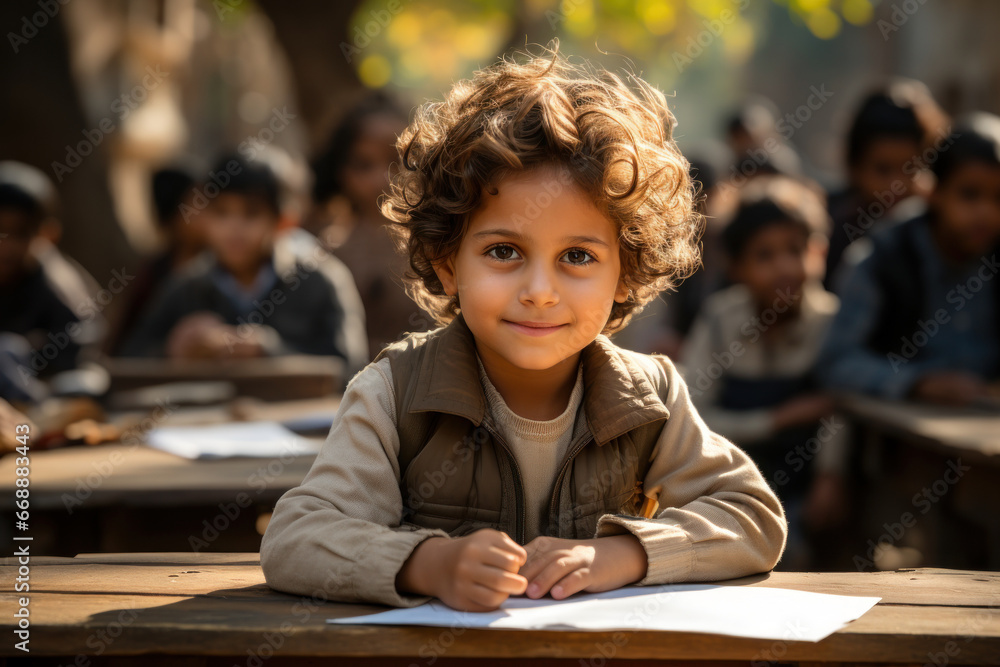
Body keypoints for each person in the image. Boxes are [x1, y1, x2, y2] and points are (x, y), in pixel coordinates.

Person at [260, 48, 787, 612]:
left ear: (625, 273)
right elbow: (295, 537)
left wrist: (621, 555)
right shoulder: (394, 393)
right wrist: (428, 564)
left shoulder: (650, 398)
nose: (540, 291)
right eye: (504, 251)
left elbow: (752, 517)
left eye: (578, 256)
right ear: (447, 262)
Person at [682, 176, 846, 569]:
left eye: (795, 250)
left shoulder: (832, 322)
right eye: (765, 255)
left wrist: (831, 476)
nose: (784, 267)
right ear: (737, 266)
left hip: (808, 484)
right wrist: (776, 419)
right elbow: (694, 416)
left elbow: (840, 409)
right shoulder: (720, 320)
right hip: (729, 480)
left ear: (819, 252)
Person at [818, 113, 1000, 405]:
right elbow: (835, 364)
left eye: (998, 198)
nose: (986, 213)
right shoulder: (884, 257)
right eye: (969, 195)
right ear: (934, 192)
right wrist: (917, 383)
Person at [120, 154, 367, 367]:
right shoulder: (186, 286)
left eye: (251, 213)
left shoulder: (321, 282)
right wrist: (172, 349)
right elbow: (125, 363)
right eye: (222, 213)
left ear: (284, 221)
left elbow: (352, 370)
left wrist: (269, 350)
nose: (233, 229)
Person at [305, 92, 430, 356]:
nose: (382, 179)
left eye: (397, 163)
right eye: (363, 165)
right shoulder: (321, 248)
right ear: (340, 170)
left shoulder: (438, 243)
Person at [824, 79, 948, 289]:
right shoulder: (830, 230)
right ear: (855, 167)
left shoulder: (939, 230)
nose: (897, 184)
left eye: (911, 168)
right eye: (883, 170)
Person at [108, 162, 208, 354]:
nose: (207, 213)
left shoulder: (225, 268)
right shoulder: (152, 276)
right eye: (197, 204)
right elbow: (125, 347)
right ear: (174, 215)